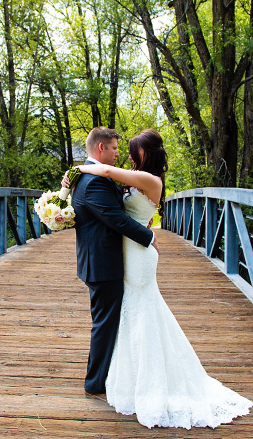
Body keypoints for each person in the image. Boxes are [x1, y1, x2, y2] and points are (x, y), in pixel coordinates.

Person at [66, 129, 253, 429]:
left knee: (139, 311)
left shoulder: (149, 180)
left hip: (137, 255)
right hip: (119, 254)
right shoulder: (125, 177)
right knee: (124, 316)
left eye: (130, 151)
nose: (124, 154)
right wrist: (73, 178)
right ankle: (118, 375)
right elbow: (110, 195)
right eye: (117, 148)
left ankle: (122, 380)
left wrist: (76, 171)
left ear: (146, 154)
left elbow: (108, 176)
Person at [69, 126, 159, 396]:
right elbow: (116, 219)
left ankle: (111, 375)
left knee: (110, 320)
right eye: (115, 148)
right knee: (105, 324)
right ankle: (95, 383)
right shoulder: (95, 179)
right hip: (103, 263)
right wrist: (148, 235)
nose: (119, 153)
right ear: (101, 148)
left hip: (105, 260)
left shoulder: (92, 176)